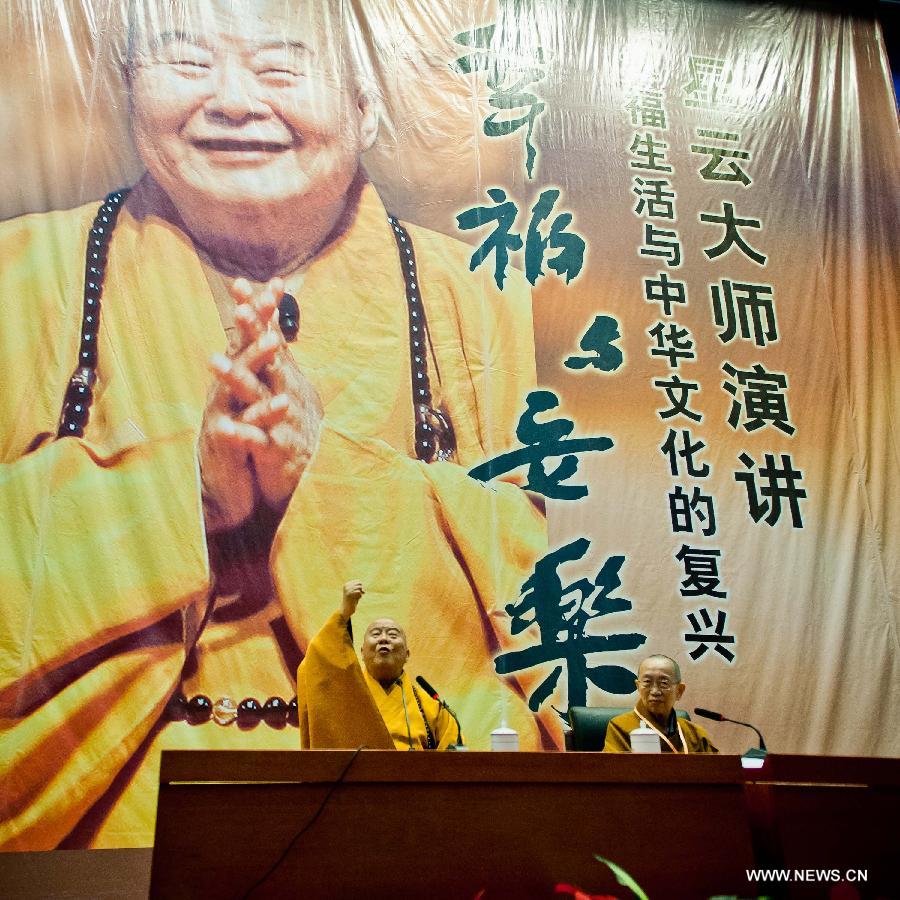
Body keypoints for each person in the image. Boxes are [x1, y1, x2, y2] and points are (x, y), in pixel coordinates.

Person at [0, 0, 551, 850]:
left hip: (389, 823)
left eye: (281, 69)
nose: (231, 101)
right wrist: (186, 491)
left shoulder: (465, 300)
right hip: (100, 833)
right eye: (186, 63)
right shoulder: (19, 276)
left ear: (366, 105)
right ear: (125, 90)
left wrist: (324, 475)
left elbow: (520, 585)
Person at [297, 581, 460, 750]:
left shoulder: (432, 708)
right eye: (376, 634)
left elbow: (455, 761)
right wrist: (343, 613)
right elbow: (315, 667)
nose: (384, 639)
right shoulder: (346, 698)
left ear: (407, 655)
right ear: (361, 652)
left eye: (393, 634)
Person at [603, 655, 718, 754]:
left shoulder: (695, 733)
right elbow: (614, 772)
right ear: (638, 687)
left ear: (679, 691)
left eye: (663, 683)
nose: (655, 691)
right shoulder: (619, 726)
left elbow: (718, 773)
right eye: (647, 682)